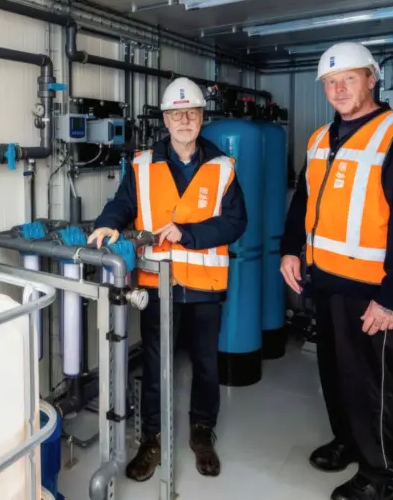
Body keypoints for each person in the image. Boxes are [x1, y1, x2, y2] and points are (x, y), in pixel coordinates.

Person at [279, 42, 393, 500]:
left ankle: (381, 476)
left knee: (370, 381)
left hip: (370, 289)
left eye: (348, 78)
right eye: (330, 82)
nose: (338, 89)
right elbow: (304, 200)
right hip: (323, 279)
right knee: (333, 369)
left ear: (371, 78)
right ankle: (347, 441)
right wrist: (290, 250)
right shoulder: (320, 138)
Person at [88, 77, 247, 481]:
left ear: (201, 118)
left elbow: (235, 222)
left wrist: (189, 234)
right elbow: (122, 204)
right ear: (166, 119)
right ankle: (152, 439)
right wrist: (108, 225)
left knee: (206, 365)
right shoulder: (142, 164)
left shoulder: (222, 167)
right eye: (177, 114)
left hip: (205, 286)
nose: (184, 120)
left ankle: (201, 433)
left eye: (192, 113)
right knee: (157, 365)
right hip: (157, 284)